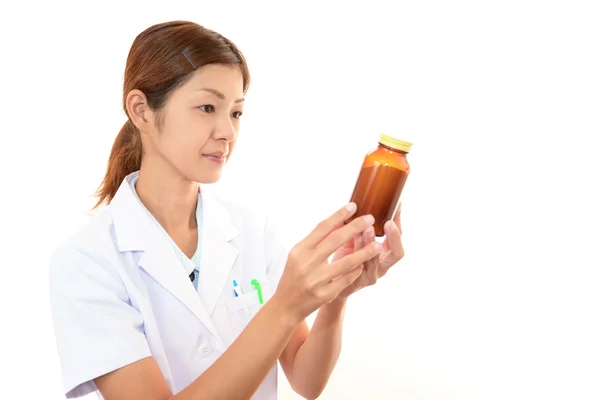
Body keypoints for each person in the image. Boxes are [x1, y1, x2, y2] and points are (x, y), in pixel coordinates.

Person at [48, 20, 405, 400]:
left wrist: (334, 298)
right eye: (207, 107)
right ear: (141, 110)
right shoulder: (87, 262)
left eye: (235, 113)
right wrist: (285, 305)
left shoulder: (251, 231)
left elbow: (306, 378)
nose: (228, 132)